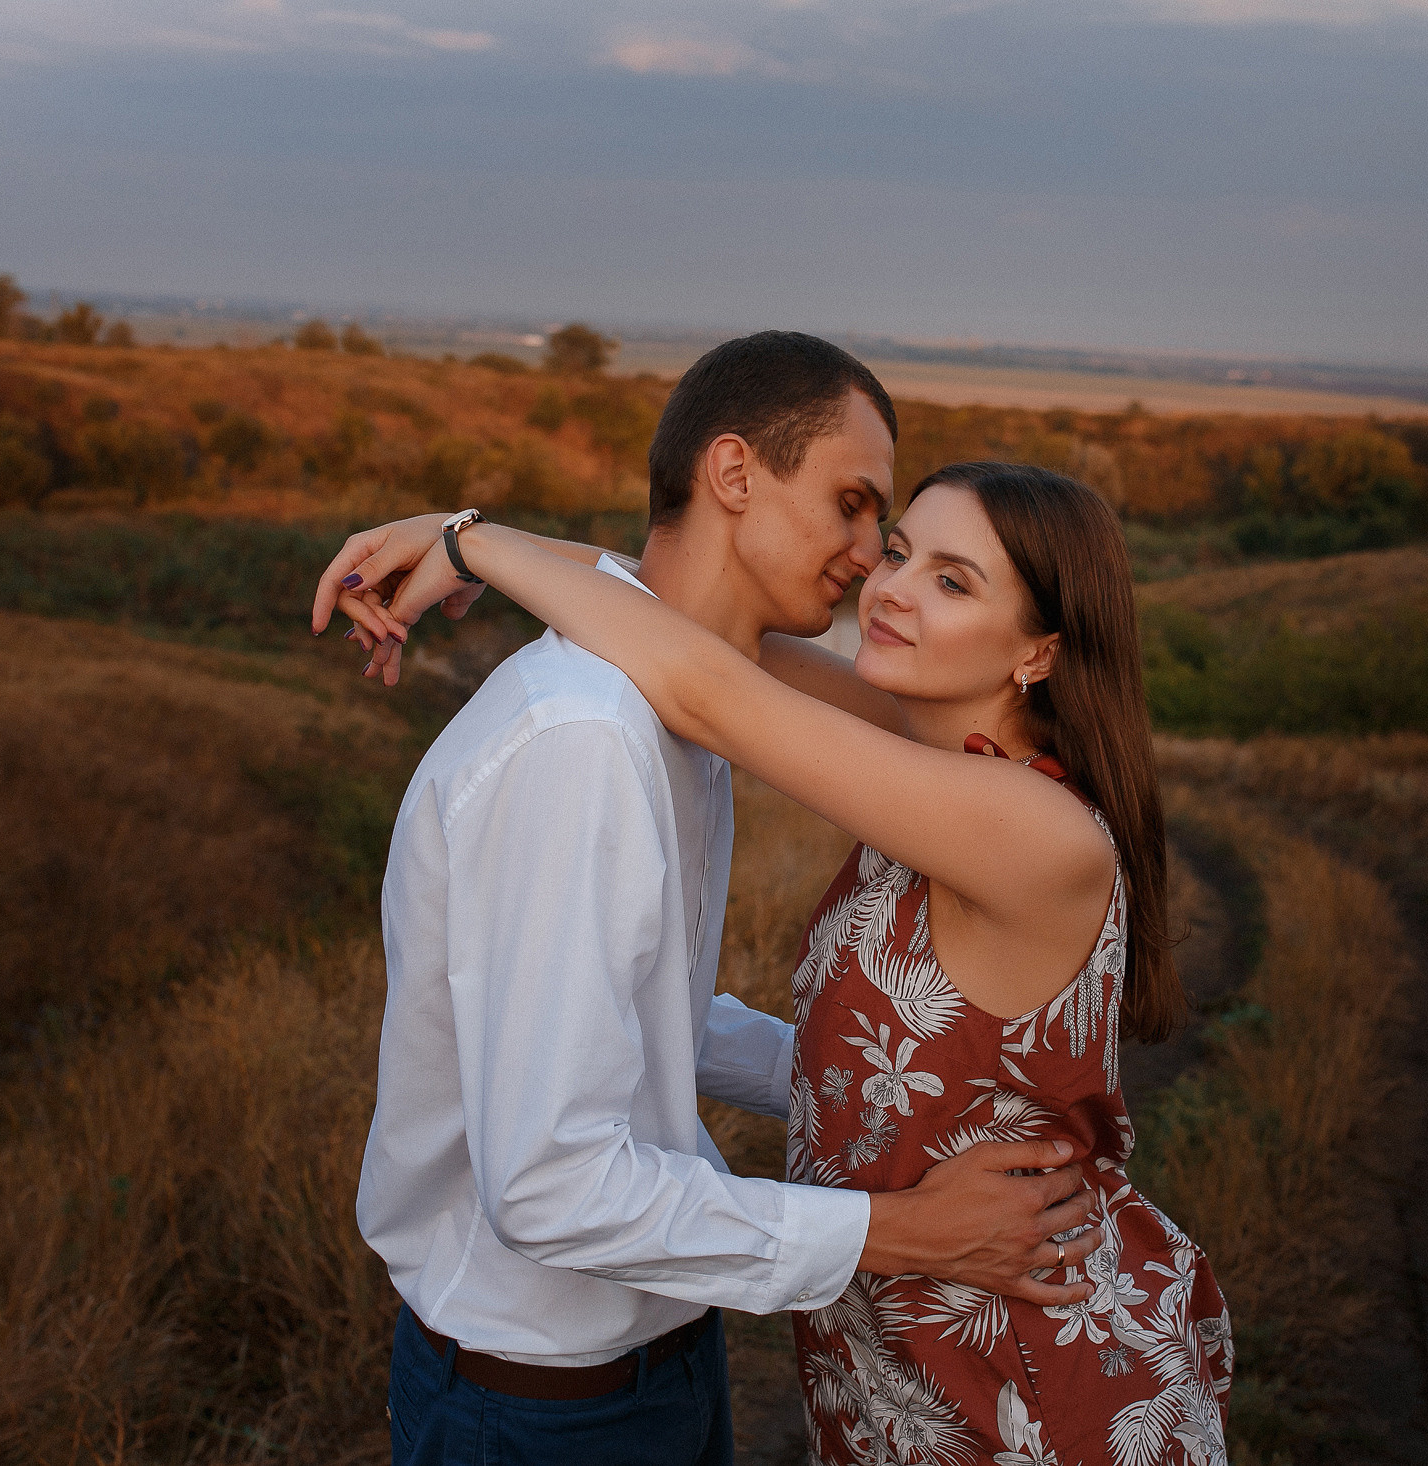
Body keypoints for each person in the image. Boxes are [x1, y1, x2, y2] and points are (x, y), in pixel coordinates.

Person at [329, 451, 1235, 1464]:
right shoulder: (928, 750)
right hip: (901, 1364)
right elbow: (692, 621)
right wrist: (473, 538)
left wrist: (471, 542)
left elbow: (706, 686)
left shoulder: (1030, 826)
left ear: (1038, 650)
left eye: (952, 579)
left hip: (1022, 1375)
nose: (888, 586)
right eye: (897, 549)